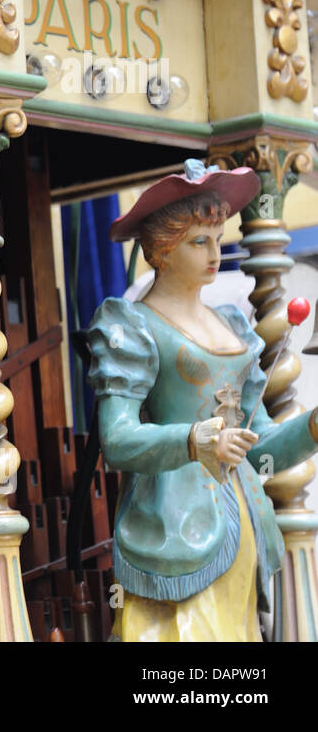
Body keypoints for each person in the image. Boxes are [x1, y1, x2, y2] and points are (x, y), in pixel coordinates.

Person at [87, 159, 318, 641]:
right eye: (200, 241)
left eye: (218, 239)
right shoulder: (132, 326)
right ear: (163, 249)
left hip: (245, 522)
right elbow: (117, 440)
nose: (215, 253)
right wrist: (194, 440)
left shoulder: (233, 325)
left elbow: (261, 447)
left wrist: (312, 428)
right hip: (170, 528)